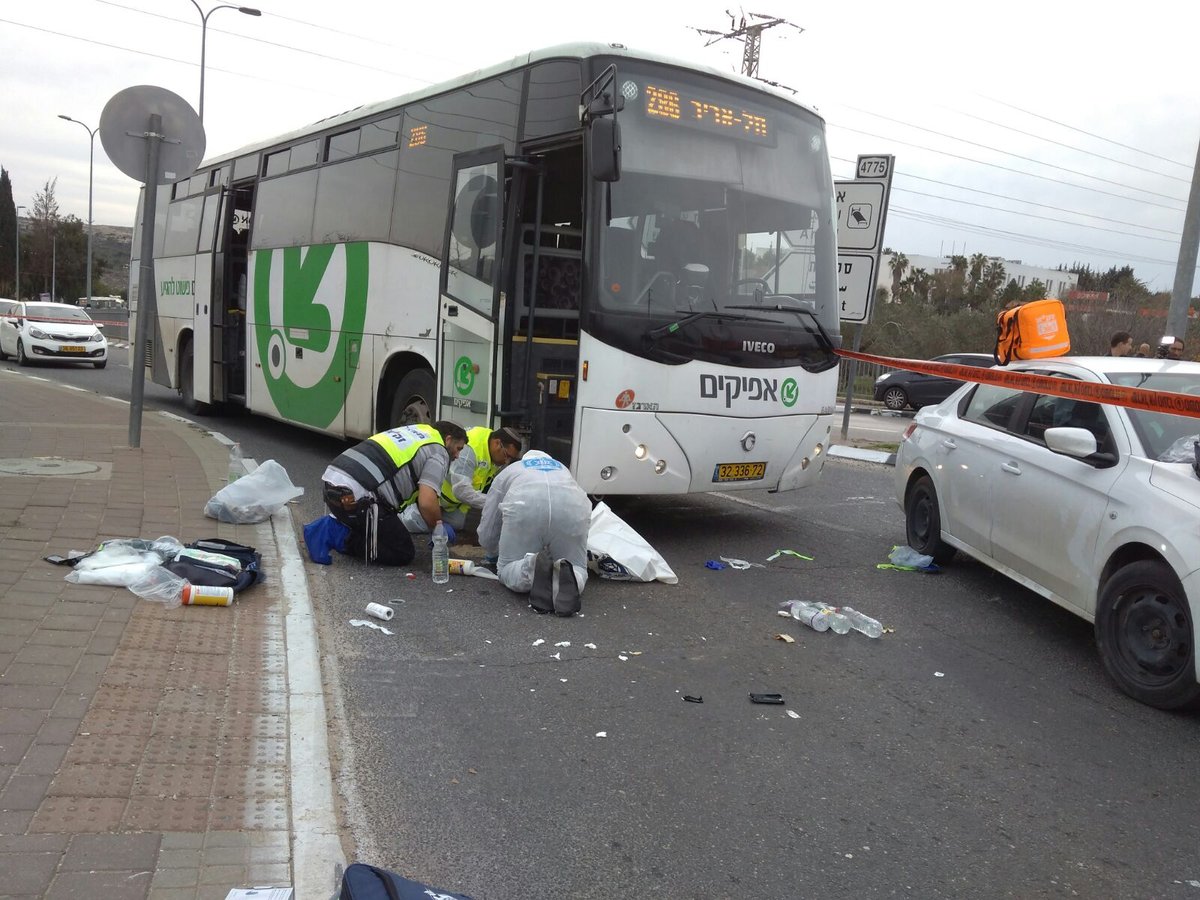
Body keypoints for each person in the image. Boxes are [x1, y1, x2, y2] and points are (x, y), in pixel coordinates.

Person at [321, 420, 467, 565]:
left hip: (332, 484)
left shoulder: (419, 431)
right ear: (448, 440)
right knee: (402, 551)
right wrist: (438, 527)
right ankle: (339, 535)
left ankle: (338, 523)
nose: (457, 456)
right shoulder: (439, 451)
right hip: (356, 500)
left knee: (387, 531)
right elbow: (427, 502)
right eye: (458, 448)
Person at [478, 450, 592, 617]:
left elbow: (490, 524)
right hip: (573, 507)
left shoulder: (511, 470)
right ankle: (568, 573)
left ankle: (530, 566)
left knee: (506, 568)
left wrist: (491, 549)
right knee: (577, 566)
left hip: (525, 503)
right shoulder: (563, 470)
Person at [439, 426, 523, 531]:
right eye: (507, 456)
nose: (506, 461)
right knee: (424, 520)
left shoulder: (491, 448)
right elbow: (461, 491)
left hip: (456, 504)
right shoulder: (470, 449)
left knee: (457, 524)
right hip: (436, 496)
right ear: (497, 443)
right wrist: (496, 503)